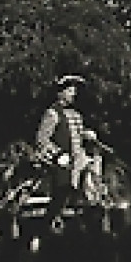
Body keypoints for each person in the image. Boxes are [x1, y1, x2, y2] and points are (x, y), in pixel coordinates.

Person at [36, 74, 89, 223]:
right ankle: (53, 218)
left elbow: (77, 138)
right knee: (62, 184)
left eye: (74, 91)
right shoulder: (52, 114)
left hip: (78, 161)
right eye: (70, 91)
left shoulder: (76, 115)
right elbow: (42, 140)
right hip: (60, 162)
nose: (74, 94)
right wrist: (58, 155)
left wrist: (87, 135)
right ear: (61, 93)